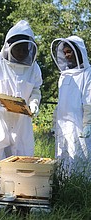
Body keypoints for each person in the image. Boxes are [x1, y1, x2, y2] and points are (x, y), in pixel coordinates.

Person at [0, 20, 43, 203]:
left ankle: (21, 196)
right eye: (18, 49)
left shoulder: (34, 68)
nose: (22, 53)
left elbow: (36, 90)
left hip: (21, 120)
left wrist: (34, 102)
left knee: (22, 155)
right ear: (8, 46)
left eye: (25, 49)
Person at [51, 36, 91, 176]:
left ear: (79, 52)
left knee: (81, 158)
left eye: (70, 52)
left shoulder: (88, 73)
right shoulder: (64, 75)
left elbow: (88, 101)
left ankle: (80, 191)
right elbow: (61, 102)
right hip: (64, 125)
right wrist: (54, 122)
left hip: (80, 125)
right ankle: (63, 189)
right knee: (63, 157)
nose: (67, 55)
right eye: (65, 52)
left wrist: (88, 124)